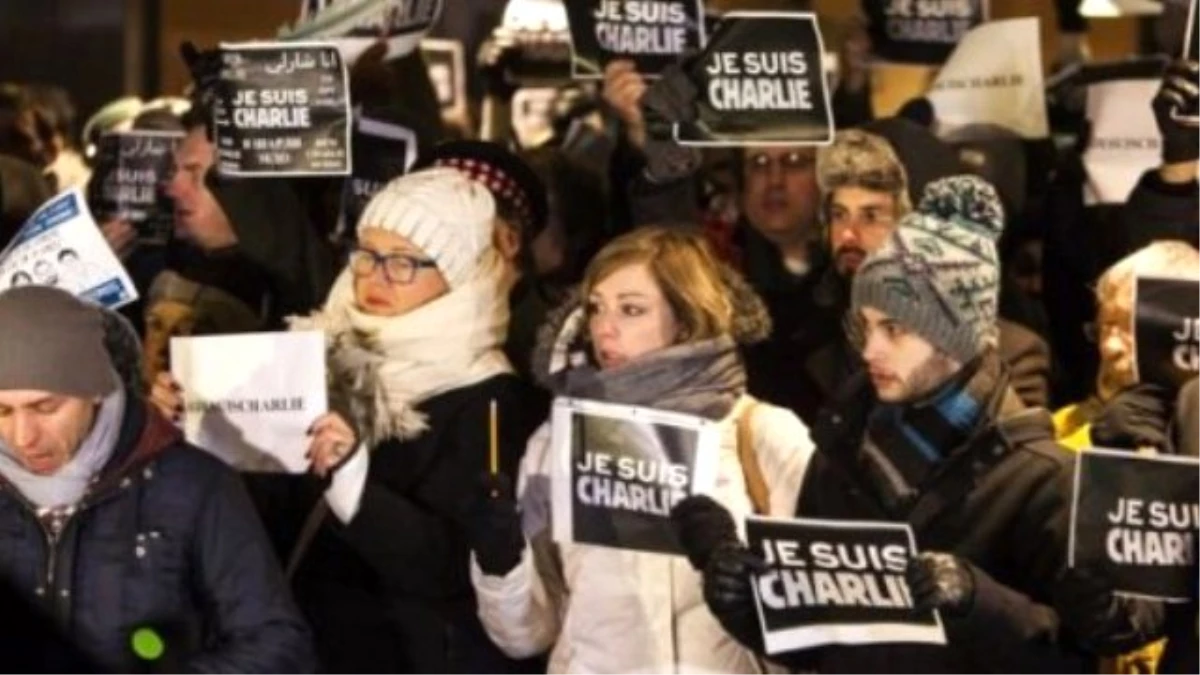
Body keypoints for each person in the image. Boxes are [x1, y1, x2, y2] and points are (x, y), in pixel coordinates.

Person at [672, 176, 1164, 674]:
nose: (869, 351)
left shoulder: (1041, 479)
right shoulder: (843, 449)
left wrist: (978, 602)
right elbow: (816, 641)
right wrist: (738, 593)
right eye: (865, 326)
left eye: (895, 329)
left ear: (956, 336)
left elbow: (1073, 661)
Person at [152, 167, 545, 674]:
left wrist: (353, 480)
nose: (375, 276)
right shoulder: (318, 352)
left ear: (458, 276)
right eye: (367, 254)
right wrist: (198, 427)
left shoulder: (492, 399)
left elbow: (449, 568)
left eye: (403, 262)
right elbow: (266, 516)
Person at [468, 226, 816, 673]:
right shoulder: (556, 443)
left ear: (686, 318)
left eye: (631, 310)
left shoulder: (763, 433)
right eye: (596, 308)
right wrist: (500, 563)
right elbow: (527, 635)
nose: (604, 328)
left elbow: (820, 620)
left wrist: (736, 576)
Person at [0, 285, 313, 673]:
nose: (22, 436)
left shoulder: (195, 486)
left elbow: (277, 643)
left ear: (95, 388)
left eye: (45, 407)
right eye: (2, 412)